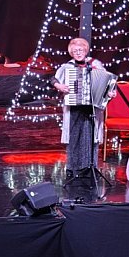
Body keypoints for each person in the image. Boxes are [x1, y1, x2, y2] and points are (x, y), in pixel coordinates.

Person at [51, 37, 115, 178]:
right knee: (75, 137)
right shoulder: (67, 66)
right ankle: (73, 168)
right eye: (75, 51)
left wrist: (110, 93)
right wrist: (59, 85)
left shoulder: (95, 65)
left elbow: (108, 82)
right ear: (71, 53)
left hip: (92, 107)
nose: (78, 53)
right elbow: (53, 79)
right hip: (74, 106)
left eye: (80, 50)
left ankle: (89, 167)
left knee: (91, 137)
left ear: (86, 50)